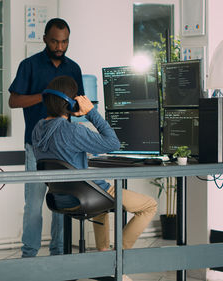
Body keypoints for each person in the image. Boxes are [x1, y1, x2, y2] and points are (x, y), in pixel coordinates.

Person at [32, 75, 157, 281]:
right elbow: (113, 143)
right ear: (72, 103)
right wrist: (91, 112)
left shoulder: (38, 130)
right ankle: (114, 259)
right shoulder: (73, 131)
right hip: (88, 194)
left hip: (60, 196)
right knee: (149, 206)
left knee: (101, 207)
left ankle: (102, 260)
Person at [8, 18, 84, 257]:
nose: (60, 46)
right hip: (36, 146)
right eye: (55, 41)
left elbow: (78, 105)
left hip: (64, 147)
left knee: (62, 202)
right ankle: (29, 255)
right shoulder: (29, 65)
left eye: (64, 42)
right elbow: (14, 101)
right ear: (44, 39)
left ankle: (59, 254)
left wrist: (78, 108)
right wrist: (45, 96)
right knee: (34, 206)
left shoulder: (74, 68)